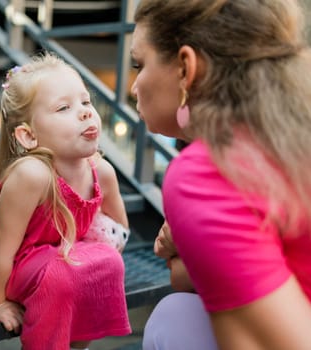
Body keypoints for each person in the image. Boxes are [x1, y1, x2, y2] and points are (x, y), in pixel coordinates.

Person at [129, 0, 311, 349]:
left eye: (140, 63)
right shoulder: (279, 141)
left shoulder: (207, 172)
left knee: (172, 317)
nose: (135, 86)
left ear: (185, 68)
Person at [0, 51, 132, 350]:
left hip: (62, 259)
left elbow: (118, 234)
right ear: (28, 136)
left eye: (86, 102)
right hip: (13, 267)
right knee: (61, 275)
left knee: (108, 263)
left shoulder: (102, 172)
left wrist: (91, 261)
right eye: (64, 107)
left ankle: (79, 345)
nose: (85, 112)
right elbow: (1, 252)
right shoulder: (32, 175)